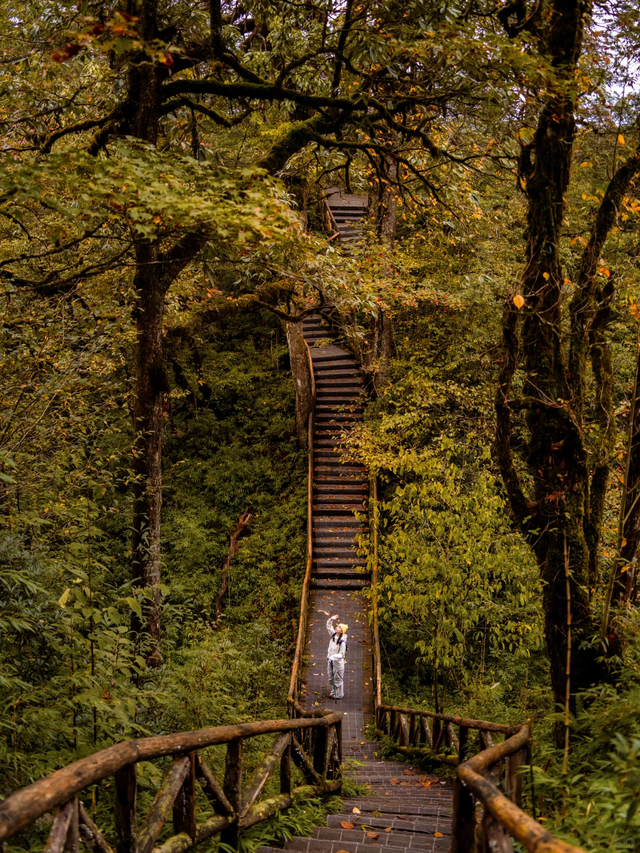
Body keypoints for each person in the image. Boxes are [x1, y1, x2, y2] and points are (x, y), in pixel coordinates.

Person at [326, 614, 348, 699]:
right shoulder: (333, 636)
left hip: (337, 663)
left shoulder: (342, 642)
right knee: (331, 677)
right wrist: (331, 619)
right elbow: (328, 627)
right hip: (330, 661)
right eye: (337, 626)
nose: (336, 628)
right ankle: (333, 691)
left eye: (339, 627)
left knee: (338, 679)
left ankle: (339, 694)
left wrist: (333, 656)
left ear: (342, 631)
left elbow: (341, 654)